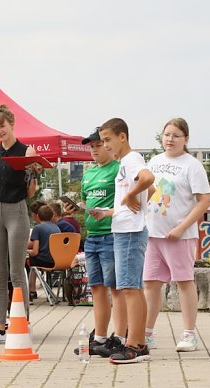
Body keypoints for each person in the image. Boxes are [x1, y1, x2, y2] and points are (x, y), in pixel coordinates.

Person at [0, 105, 41, 345]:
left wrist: (33, 174)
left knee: (16, 271)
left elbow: (30, 192)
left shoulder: (26, 150)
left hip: (16, 210)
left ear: (12, 124)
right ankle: (0, 328)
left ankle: (22, 324)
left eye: (2, 126)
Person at [143, 118, 210, 352]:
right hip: (153, 235)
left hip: (179, 235)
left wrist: (182, 227)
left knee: (183, 281)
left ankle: (189, 334)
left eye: (175, 136)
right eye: (167, 135)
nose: (170, 139)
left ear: (186, 139)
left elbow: (204, 200)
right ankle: (147, 334)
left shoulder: (192, 165)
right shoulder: (153, 161)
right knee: (150, 284)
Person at [65, 128, 127, 358]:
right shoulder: (88, 174)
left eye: (98, 145)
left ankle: (120, 337)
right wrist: (73, 208)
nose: (94, 149)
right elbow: (84, 200)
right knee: (96, 288)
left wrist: (107, 213)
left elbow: (127, 201)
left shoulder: (119, 169)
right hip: (91, 236)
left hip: (112, 234)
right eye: (90, 146)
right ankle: (100, 337)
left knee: (116, 288)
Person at [98, 117, 155, 364]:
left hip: (130, 232)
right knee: (132, 288)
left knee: (130, 289)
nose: (105, 145)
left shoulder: (131, 159)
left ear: (122, 137)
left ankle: (135, 345)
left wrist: (132, 194)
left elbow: (149, 179)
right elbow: (151, 192)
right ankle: (138, 342)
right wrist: (115, 209)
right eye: (102, 141)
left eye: (108, 140)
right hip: (125, 228)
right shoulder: (124, 163)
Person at [26, 204, 60, 298]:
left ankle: (32, 291)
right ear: (52, 216)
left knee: (32, 263)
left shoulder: (37, 228)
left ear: (37, 216)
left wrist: (26, 251)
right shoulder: (57, 228)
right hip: (56, 261)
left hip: (43, 261)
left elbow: (35, 252)